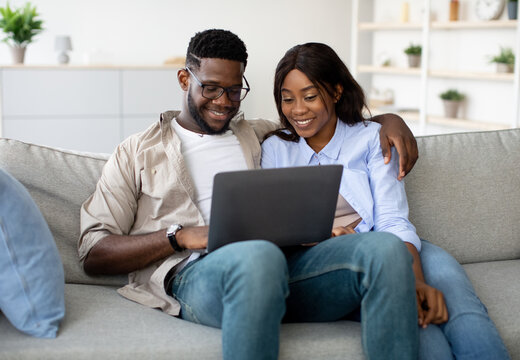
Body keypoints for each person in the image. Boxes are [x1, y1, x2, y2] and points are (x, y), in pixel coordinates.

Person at [79, 29, 420, 360]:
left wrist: (389, 121)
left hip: (282, 271)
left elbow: (322, 120)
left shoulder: (258, 135)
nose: (223, 102)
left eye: (233, 90)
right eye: (210, 89)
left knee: (385, 249)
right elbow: (93, 252)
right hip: (195, 277)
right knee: (258, 255)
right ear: (185, 80)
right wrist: (180, 237)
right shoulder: (137, 151)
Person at [261, 42, 511, 360]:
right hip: (342, 263)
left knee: (456, 295)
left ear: (336, 92)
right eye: (287, 98)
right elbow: (277, 227)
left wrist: (416, 281)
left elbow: (392, 220)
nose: (298, 109)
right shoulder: (276, 150)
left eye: (310, 96)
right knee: (423, 327)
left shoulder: (372, 138)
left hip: (391, 242)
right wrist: (324, 238)